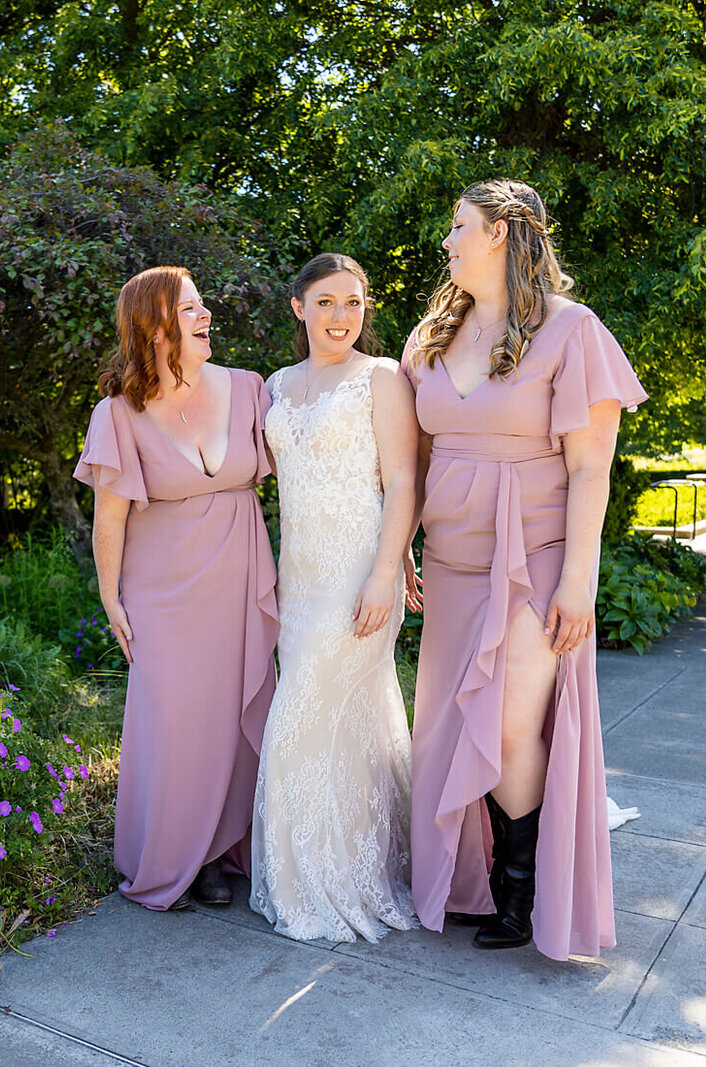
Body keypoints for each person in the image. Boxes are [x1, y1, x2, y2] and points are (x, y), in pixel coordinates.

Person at [404, 180, 646, 958]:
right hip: (450, 563)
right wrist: (398, 545)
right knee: (451, 720)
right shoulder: (433, 336)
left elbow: (591, 470)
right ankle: (477, 881)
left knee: (509, 720)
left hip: (536, 559)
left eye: (459, 227)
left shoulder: (571, 330)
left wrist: (578, 578)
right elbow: (413, 457)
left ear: (502, 233)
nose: (447, 242)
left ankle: (522, 888)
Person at [74, 266, 279, 910]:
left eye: (202, 304)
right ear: (156, 325)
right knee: (175, 719)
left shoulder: (249, 390)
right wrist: (111, 598)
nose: (205, 315)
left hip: (241, 577)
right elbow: (109, 515)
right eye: (190, 308)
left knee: (233, 710)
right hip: (161, 590)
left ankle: (222, 850)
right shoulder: (118, 413)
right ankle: (173, 853)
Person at [249, 253, 420, 943]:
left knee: (296, 721)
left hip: (360, 577)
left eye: (354, 303)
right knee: (339, 727)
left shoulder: (381, 379)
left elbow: (405, 483)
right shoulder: (275, 384)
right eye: (326, 302)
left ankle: (327, 879)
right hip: (301, 581)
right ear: (298, 307)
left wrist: (387, 570)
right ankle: (339, 858)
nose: (342, 317)